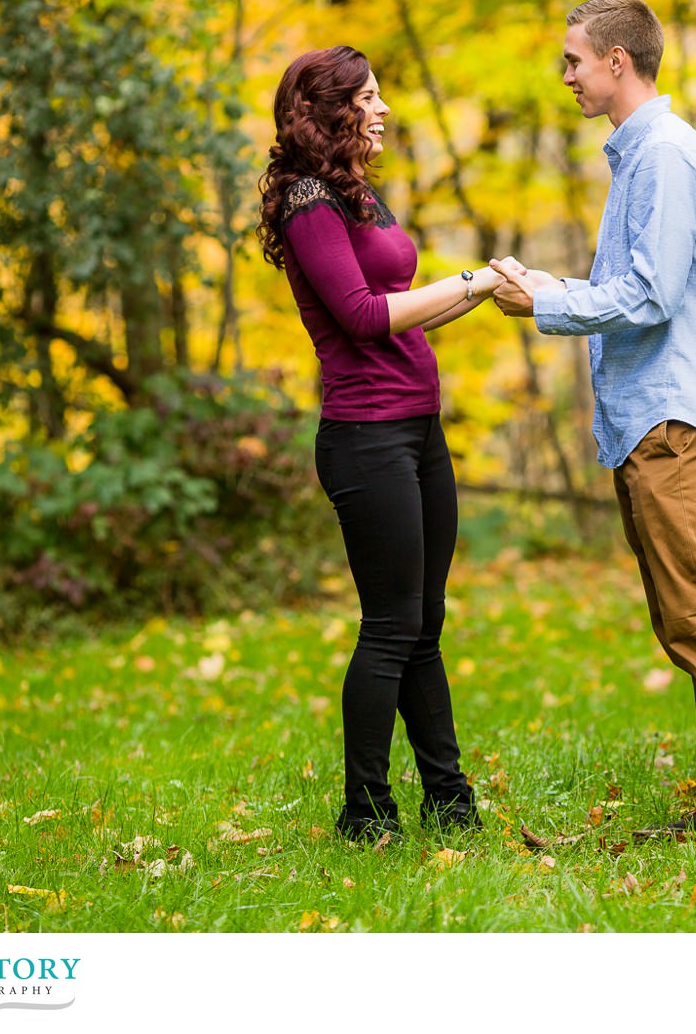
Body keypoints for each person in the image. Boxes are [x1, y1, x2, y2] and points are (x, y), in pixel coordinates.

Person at [491, 0, 696, 838]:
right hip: (652, 417)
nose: (565, 75)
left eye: (574, 60)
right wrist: (551, 290)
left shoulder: (664, 156)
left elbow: (651, 294)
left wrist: (546, 304)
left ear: (617, 63)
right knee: (682, 610)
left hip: (674, 418)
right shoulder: (640, 157)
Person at [255, 45, 508, 843]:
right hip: (366, 439)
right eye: (368, 96)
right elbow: (364, 316)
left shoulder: (357, 192)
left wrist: (489, 289)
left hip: (418, 429)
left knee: (424, 622)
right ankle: (364, 809)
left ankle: (450, 797)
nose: (384, 108)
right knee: (391, 627)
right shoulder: (306, 202)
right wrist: (469, 279)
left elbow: (407, 307)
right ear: (328, 110)